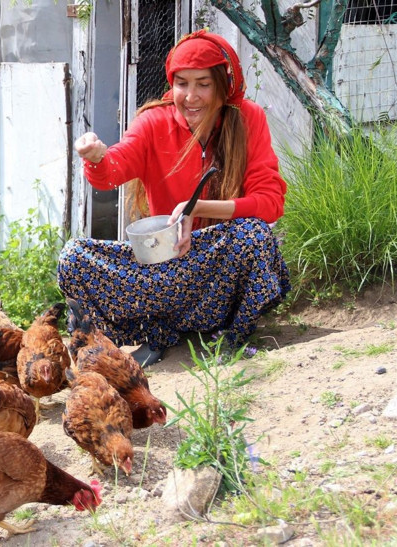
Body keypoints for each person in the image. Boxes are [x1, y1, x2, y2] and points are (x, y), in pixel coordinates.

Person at [58, 30, 291, 367]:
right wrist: (96, 157)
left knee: (253, 235)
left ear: (223, 86)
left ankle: (230, 336)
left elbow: (270, 202)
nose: (191, 96)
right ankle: (147, 336)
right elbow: (112, 171)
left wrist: (197, 209)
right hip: (165, 273)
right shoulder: (153, 121)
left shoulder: (248, 118)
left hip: (218, 267)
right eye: (182, 83)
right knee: (74, 256)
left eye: (203, 84)